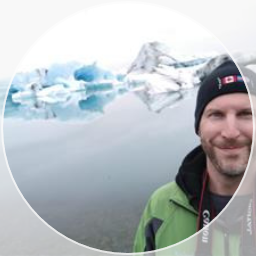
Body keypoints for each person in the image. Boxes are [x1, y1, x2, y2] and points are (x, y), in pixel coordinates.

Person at [133, 61, 253, 255]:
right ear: (199, 127)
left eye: (246, 114)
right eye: (216, 115)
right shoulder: (161, 206)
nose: (230, 132)